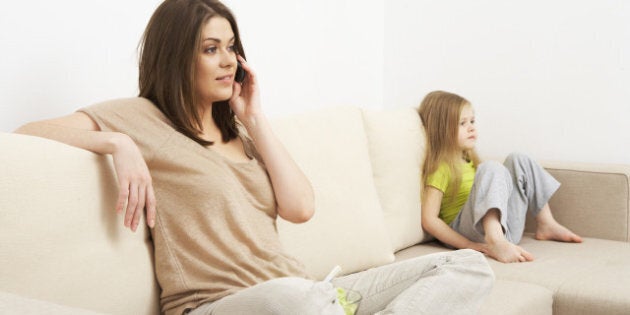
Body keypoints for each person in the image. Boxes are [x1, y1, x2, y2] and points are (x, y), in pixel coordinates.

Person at [15, 1, 494, 314]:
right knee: (297, 299)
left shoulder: (242, 131)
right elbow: (27, 132)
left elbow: (301, 207)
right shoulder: (140, 118)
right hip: (219, 304)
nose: (228, 61)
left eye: (231, 48)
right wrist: (116, 144)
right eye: (210, 49)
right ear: (176, 57)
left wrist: (256, 117)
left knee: (468, 268)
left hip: (305, 295)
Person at [418, 90, 583, 264]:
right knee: (491, 167)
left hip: (506, 229)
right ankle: (495, 240)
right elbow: (429, 220)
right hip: (466, 231)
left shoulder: (469, 161)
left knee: (518, 158)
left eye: (472, 121)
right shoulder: (441, 168)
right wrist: (468, 244)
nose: (472, 127)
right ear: (441, 129)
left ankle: (546, 223)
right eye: (462, 123)